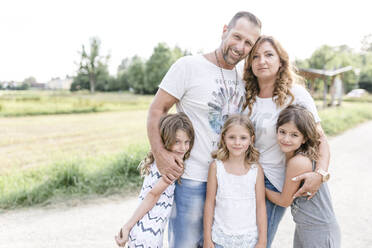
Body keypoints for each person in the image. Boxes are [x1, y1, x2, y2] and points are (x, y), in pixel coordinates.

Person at [147, 11, 262, 247]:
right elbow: (156, 111)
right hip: (192, 179)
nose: (240, 46)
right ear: (224, 31)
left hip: (229, 183)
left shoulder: (243, 80)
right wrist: (161, 155)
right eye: (237, 37)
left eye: (248, 42)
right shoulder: (188, 66)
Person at [242, 35, 331, 247]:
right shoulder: (247, 96)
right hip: (246, 177)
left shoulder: (296, 94)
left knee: (257, 242)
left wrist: (321, 173)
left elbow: (321, 139)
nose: (261, 61)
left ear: (281, 61)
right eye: (255, 56)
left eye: (269, 55)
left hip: (272, 179)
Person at [115, 113, 195, 248]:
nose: (183, 148)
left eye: (187, 142)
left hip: (142, 229)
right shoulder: (172, 167)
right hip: (148, 234)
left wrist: (129, 226)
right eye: (177, 142)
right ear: (166, 140)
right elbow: (153, 195)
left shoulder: (159, 159)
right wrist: (127, 226)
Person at [266, 105, 340, 247]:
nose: (286, 138)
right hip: (306, 227)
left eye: (294, 135)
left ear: (304, 138)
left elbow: (284, 201)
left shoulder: (299, 162)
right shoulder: (296, 156)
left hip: (318, 231)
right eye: (282, 132)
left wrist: (258, 186)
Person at [203, 114, 267, 248]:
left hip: (248, 239)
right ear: (223, 138)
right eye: (232, 137)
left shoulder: (256, 170)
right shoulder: (216, 167)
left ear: (251, 139)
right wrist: (207, 239)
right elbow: (209, 203)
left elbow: (260, 206)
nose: (237, 142)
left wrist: (262, 241)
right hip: (220, 238)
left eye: (243, 138)